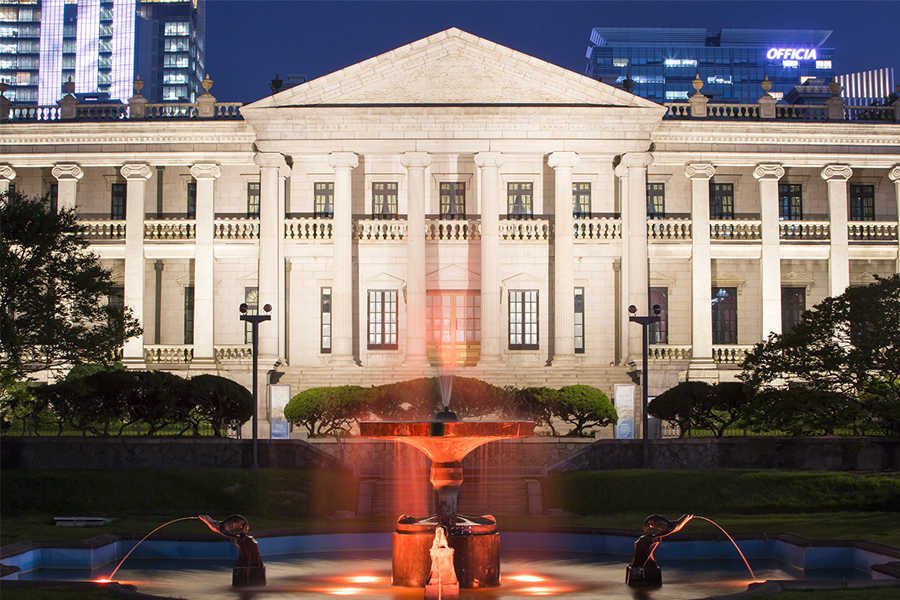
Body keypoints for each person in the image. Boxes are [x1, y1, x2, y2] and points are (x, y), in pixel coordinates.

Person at [626, 514, 693, 587]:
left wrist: (655, 537)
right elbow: (665, 532)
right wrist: (655, 536)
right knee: (644, 547)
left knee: (646, 547)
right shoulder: (672, 526)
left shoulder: (672, 526)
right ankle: (641, 568)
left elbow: (665, 532)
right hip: (652, 525)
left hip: (654, 525)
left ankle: (644, 566)